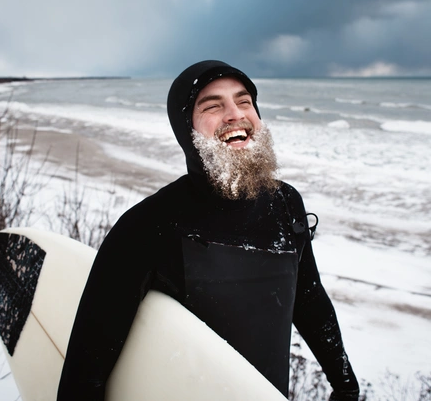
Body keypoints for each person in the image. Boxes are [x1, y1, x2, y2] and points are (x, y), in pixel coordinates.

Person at [57, 60, 360, 401]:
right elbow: (86, 369)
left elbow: (308, 299)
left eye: (244, 101)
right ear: (187, 130)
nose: (235, 114)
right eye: (213, 106)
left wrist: (345, 384)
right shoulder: (150, 225)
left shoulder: (286, 203)